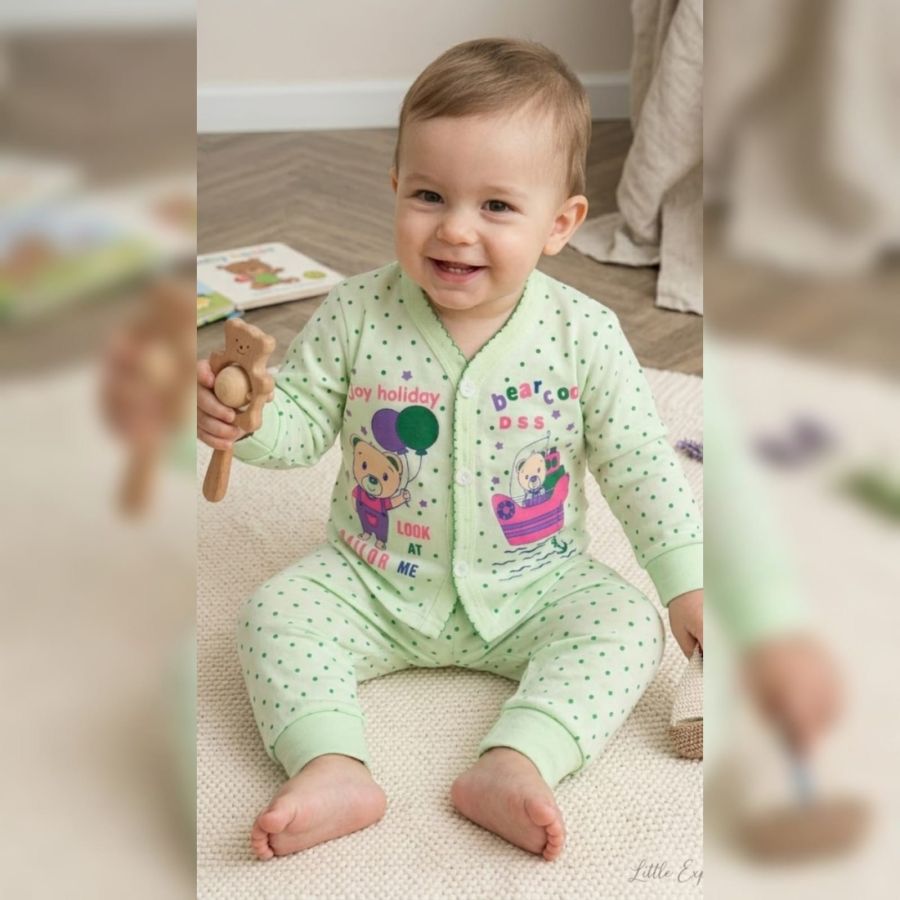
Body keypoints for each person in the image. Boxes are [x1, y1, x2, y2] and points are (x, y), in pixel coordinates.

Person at [197, 38, 703, 862]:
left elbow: (639, 462)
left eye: (497, 206)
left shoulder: (583, 334)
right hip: (372, 580)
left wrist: (687, 584)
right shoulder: (355, 313)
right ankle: (330, 766)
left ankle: (518, 760)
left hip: (534, 585)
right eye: (429, 195)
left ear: (560, 223)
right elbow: (301, 427)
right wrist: (249, 423)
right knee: (272, 615)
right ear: (396, 186)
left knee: (625, 627)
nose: (456, 229)